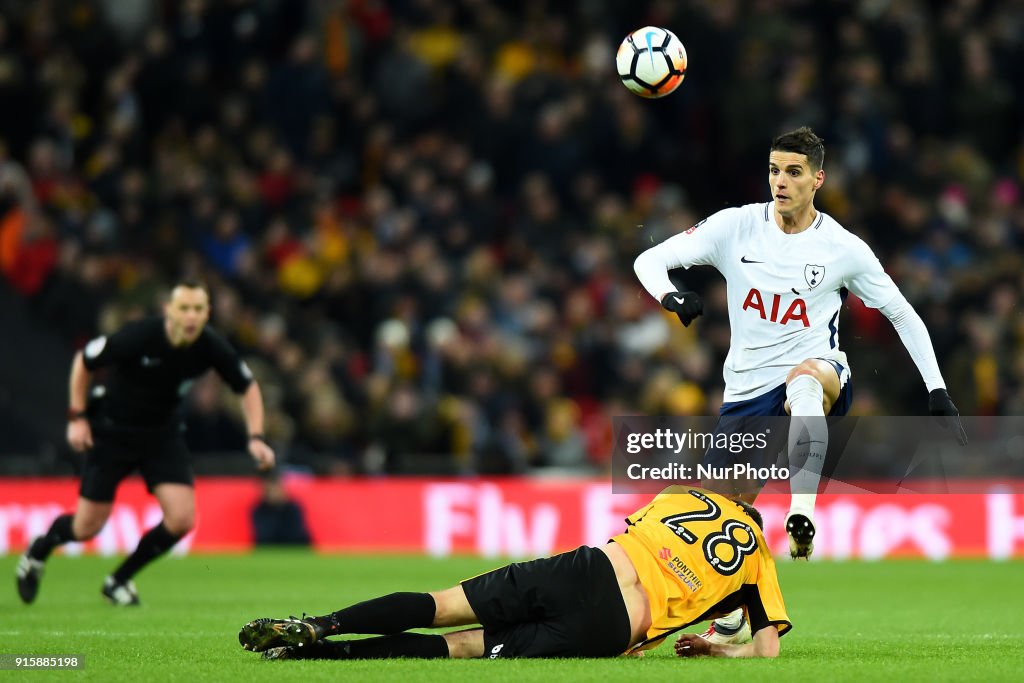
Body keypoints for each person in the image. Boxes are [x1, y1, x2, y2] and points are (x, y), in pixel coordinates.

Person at [632, 126, 966, 642]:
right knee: (727, 515)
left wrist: (937, 391)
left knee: (806, 383)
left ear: (817, 179)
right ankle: (731, 620)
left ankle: (801, 511)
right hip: (745, 387)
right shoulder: (734, 227)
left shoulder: (842, 249)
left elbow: (902, 313)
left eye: (793, 172)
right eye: (773, 170)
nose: (780, 182)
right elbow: (649, 260)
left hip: (820, 368)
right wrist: (669, 296)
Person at [237, 486, 789, 660]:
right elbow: (768, 651)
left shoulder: (683, 496)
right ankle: (317, 657)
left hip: (590, 569)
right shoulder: (759, 558)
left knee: (439, 604)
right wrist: (719, 650)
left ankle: (320, 625)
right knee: (462, 648)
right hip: (614, 629)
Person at [16, 280, 275, 606]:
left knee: (181, 520)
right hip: (113, 432)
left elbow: (247, 386)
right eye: (184, 308)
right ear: (169, 310)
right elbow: (84, 361)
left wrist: (256, 437)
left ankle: (118, 580)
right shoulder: (140, 336)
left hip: (161, 435)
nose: (191, 316)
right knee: (86, 528)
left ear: (207, 313)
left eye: (198, 309)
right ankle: (38, 551)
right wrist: (77, 417)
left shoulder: (209, 345)